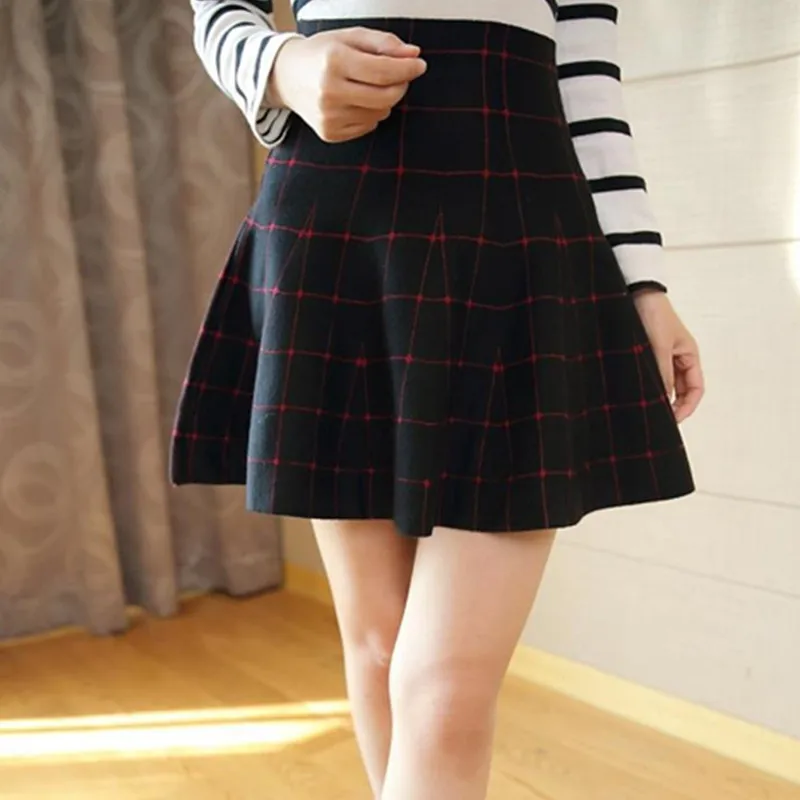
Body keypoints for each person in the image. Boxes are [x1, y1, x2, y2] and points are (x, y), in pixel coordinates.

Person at [171, 1, 705, 797]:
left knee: (445, 688)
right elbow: (221, 12)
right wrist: (282, 67)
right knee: (381, 647)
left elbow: (588, 87)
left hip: (522, 240)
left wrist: (644, 283)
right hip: (339, 229)